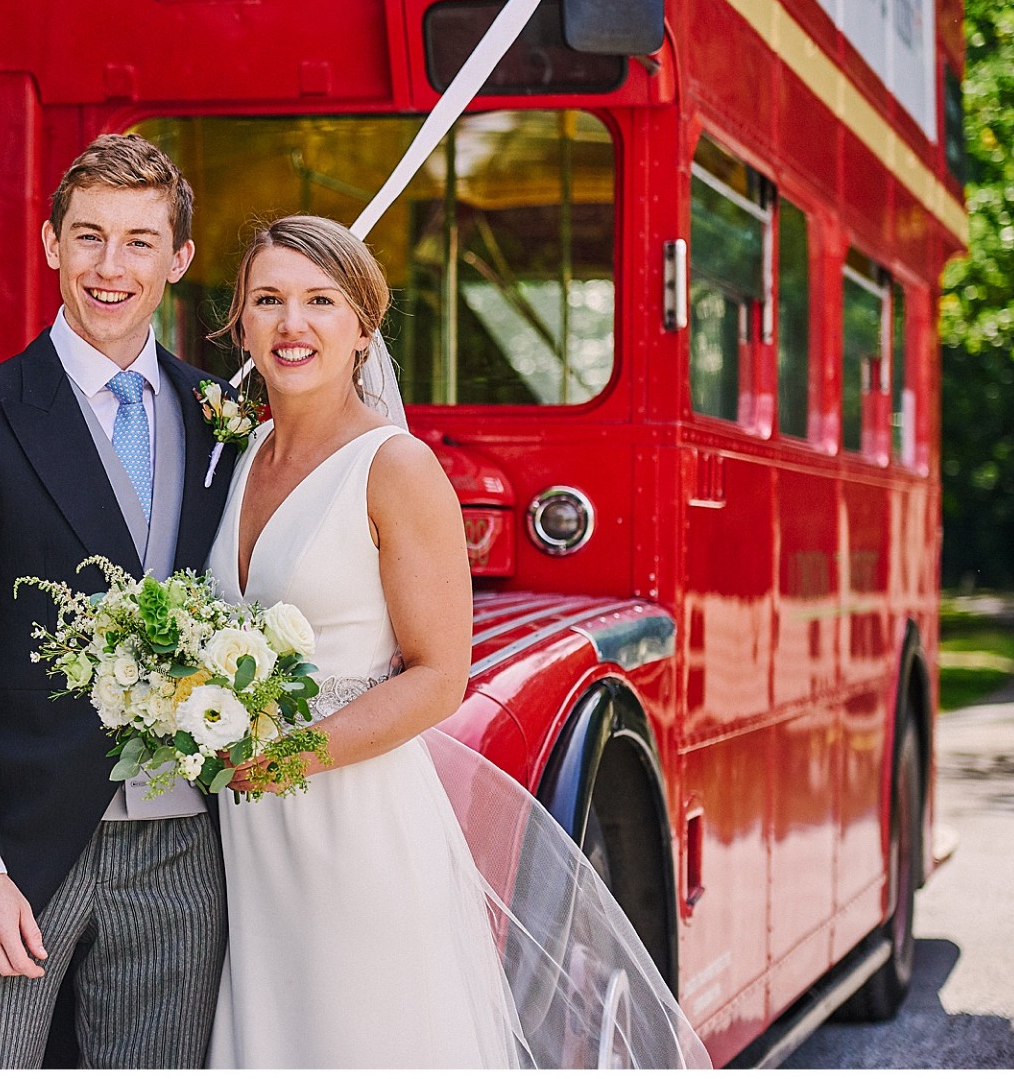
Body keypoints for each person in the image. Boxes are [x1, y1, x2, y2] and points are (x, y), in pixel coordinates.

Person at [204, 215, 708, 1068]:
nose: (294, 325)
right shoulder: (239, 455)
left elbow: (440, 675)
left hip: (353, 821)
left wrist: (286, 760)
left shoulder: (395, 467)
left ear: (363, 327)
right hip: (246, 833)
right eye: (270, 300)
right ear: (240, 323)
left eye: (320, 301)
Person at [0, 134, 242, 1068]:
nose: (109, 268)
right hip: (21, 859)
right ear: (49, 244)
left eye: (137, 241)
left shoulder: (227, 426)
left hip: (185, 857)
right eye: (88, 238)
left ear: (179, 259)